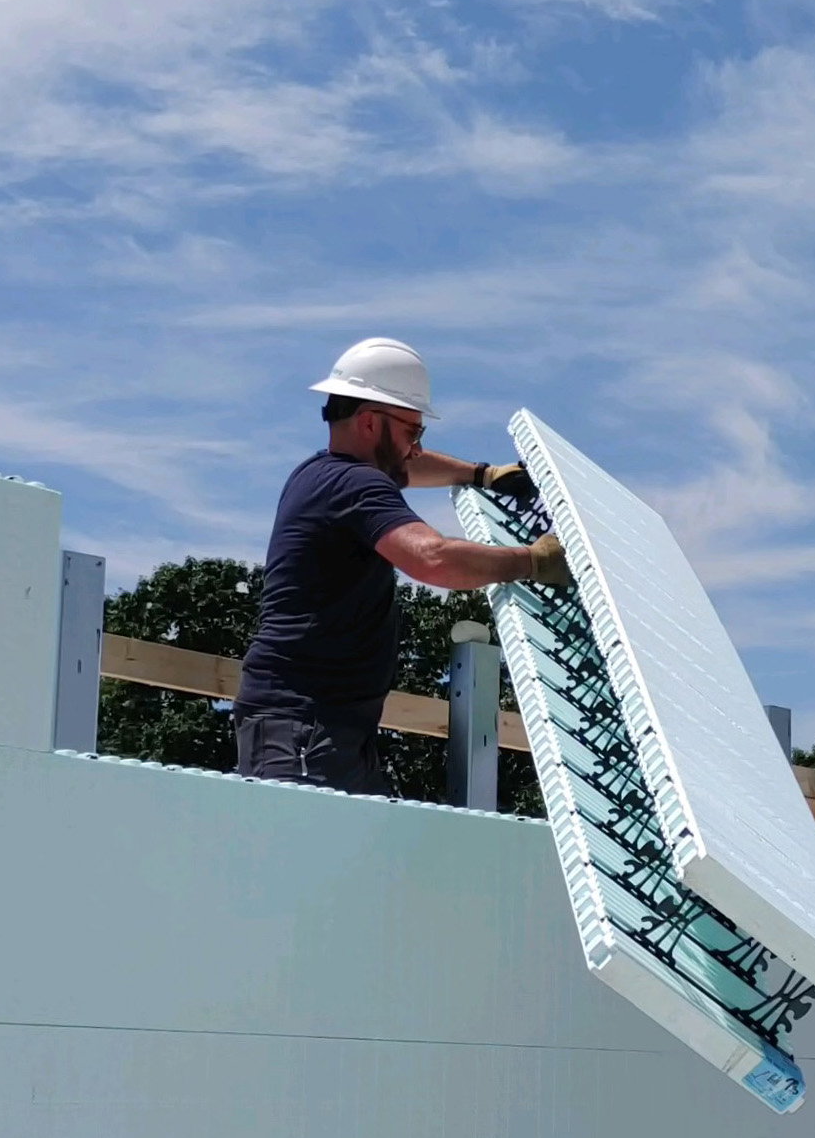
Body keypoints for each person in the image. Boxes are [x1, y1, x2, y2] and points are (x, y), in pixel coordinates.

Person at [232, 337, 571, 796]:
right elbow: (433, 560)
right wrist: (535, 560)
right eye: (413, 431)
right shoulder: (355, 486)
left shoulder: (318, 474)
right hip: (303, 727)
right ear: (371, 422)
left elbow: (409, 468)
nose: (416, 447)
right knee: (304, 861)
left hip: (322, 723)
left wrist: (480, 473)